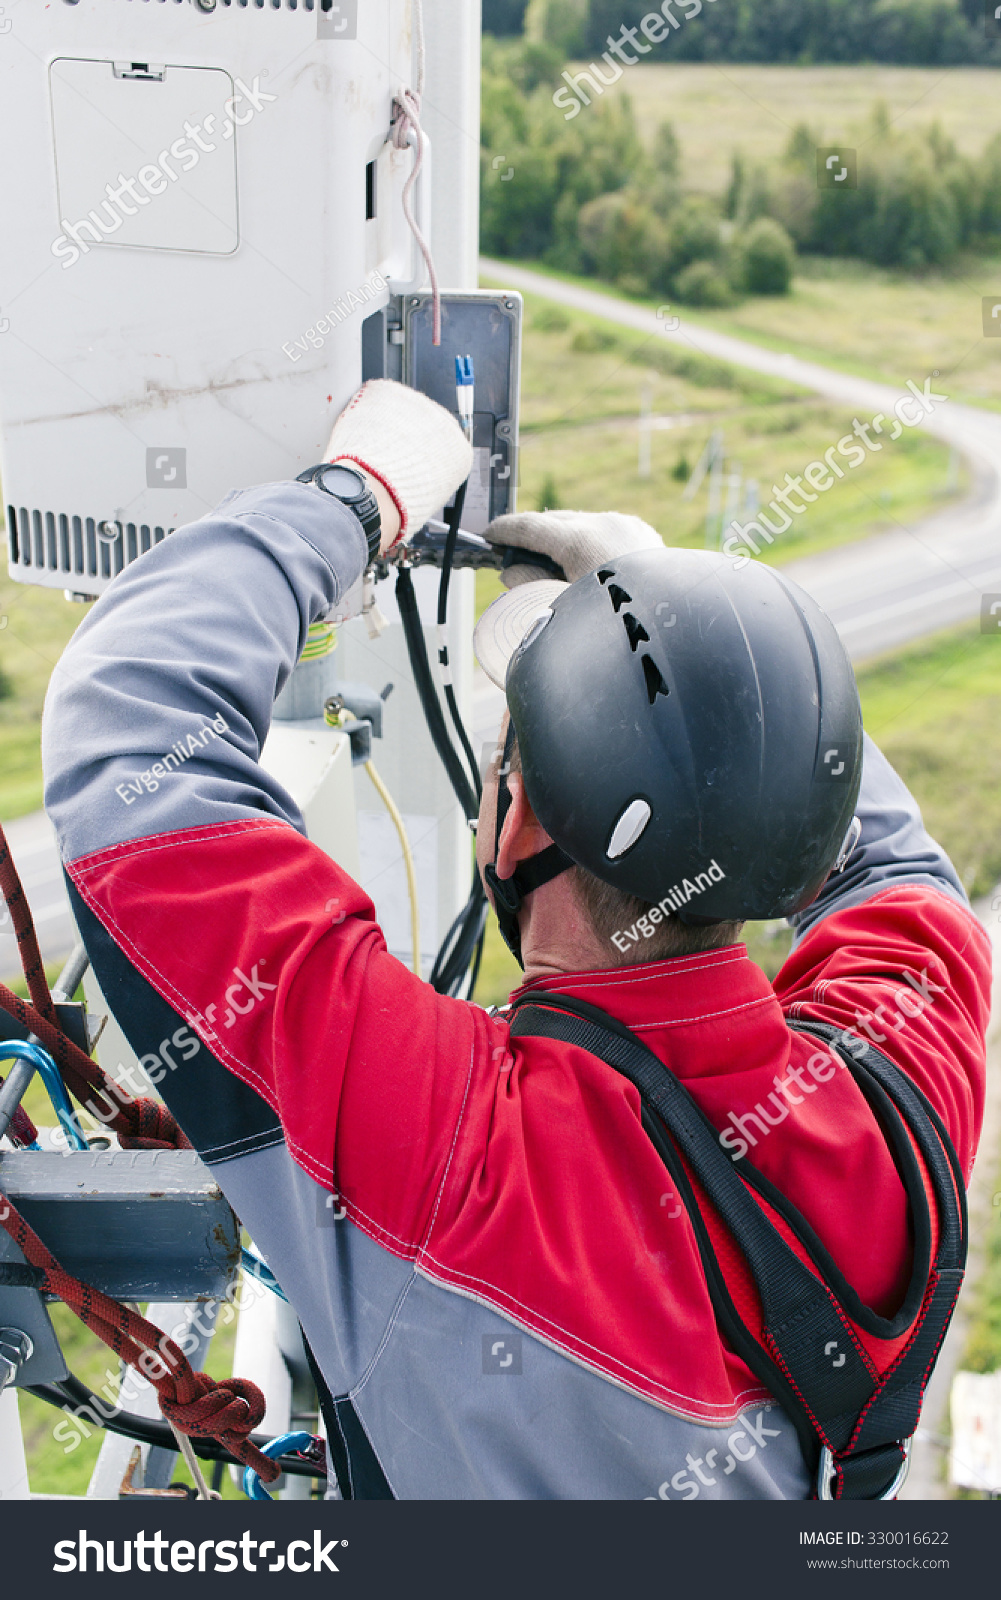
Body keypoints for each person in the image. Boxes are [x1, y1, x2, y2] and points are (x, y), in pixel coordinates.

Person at [42, 380, 991, 1500]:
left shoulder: (444, 1143)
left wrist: (357, 497)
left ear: (521, 821)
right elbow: (895, 871)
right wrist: (689, 629)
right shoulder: (897, 1091)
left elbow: (129, 728)